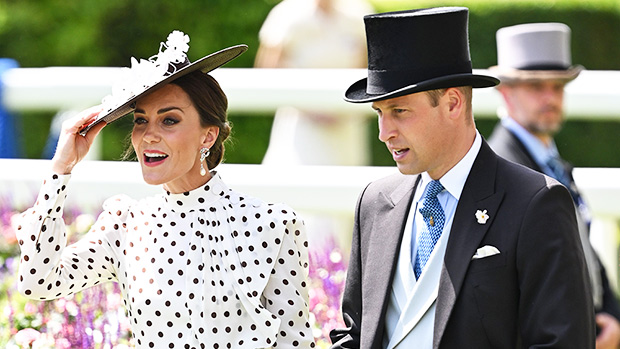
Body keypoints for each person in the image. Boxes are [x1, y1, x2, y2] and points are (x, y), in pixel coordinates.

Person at [15, 30, 315, 349]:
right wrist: (61, 168)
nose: (148, 136)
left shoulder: (272, 225)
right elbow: (38, 281)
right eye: (141, 121)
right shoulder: (126, 223)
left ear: (208, 136)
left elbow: (295, 342)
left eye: (169, 121)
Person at [329, 7, 595, 348]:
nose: (384, 133)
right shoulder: (375, 202)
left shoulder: (535, 203)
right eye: (380, 113)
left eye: (399, 111)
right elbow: (355, 334)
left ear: (453, 103)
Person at [487, 22, 620, 349]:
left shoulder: (552, 161)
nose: (550, 97)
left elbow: (584, 247)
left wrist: (613, 320)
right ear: (505, 92)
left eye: (558, 87)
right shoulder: (501, 170)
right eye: (536, 87)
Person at [256, 0, 372, 166]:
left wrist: (344, 107)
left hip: (345, 124)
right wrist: (310, 108)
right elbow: (268, 68)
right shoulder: (286, 13)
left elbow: (366, 65)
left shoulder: (358, 11)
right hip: (300, 125)